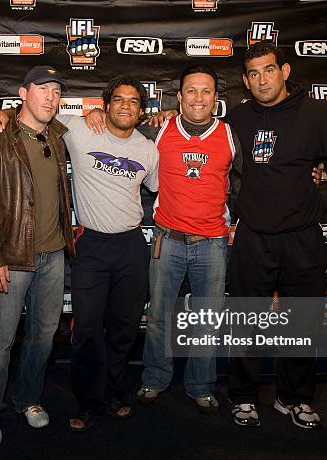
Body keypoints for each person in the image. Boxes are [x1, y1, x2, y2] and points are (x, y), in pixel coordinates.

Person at [0, 77, 159, 431]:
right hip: (91, 245)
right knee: (88, 329)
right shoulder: (78, 130)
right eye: (118, 99)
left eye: (134, 101)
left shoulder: (149, 150)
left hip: (131, 246)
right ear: (106, 105)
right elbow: (31, 120)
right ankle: (88, 400)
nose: (126, 106)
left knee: (124, 329)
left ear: (141, 111)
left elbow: (155, 188)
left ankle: (114, 393)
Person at [86, 64, 241, 415]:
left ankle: (201, 385)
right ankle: (155, 378)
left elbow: (245, 182)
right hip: (166, 240)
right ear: (179, 96)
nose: (198, 97)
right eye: (191, 91)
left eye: (206, 91)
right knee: (158, 316)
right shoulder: (159, 129)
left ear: (216, 97)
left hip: (213, 242)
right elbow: (118, 125)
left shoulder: (231, 134)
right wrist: (96, 110)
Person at [225, 41, 327, 429]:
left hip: (302, 236)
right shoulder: (237, 118)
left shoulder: (316, 114)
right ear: (245, 81)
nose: (262, 79)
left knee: (303, 321)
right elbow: (198, 137)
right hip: (253, 236)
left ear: (285, 71)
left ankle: (294, 398)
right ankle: (243, 396)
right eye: (253, 74)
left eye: (269, 70)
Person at [0, 66, 75, 446]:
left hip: (53, 256)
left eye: (57, 92)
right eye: (42, 89)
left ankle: (27, 398)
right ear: (23, 93)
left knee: (43, 337)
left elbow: (106, 119)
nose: (51, 97)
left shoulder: (59, 136)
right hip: (11, 258)